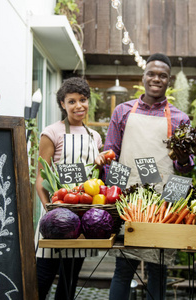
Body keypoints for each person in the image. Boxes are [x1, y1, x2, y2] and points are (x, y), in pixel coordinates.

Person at [103, 53, 195, 300]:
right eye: (152, 74)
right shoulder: (122, 111)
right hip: (129, 201)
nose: (157, 79)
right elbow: (110, 156)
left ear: (169, 81)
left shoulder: (179, 118)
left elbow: (184, 169)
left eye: (162, 75)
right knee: (123, 269)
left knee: (159, 269)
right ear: (143, 77)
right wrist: (113, 196)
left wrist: (185, 158)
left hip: (165, 200)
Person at [35, 77, 109, 300]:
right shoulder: (52, 132)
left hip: (81, 216)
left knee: (70, 279)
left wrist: (99, 164)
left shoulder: (94, 136)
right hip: (55, 213)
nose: (79, 106)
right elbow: (40, 177)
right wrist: (50, 211)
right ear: (62, 104)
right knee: (43, 276)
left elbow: (93, 178)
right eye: (72, 101)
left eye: (83, 100)